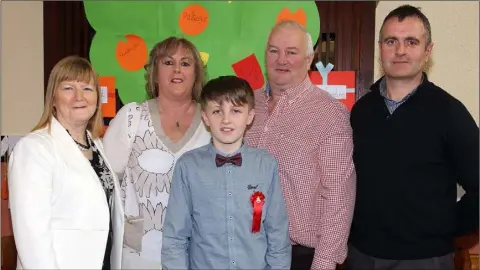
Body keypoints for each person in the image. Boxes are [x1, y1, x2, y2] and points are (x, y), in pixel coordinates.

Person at [346, 5, 479, 270]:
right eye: (391, 41)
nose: (400, 51)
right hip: (361, 254)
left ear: (427, 51)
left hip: (425, 258)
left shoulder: (449, 112)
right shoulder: (361, 111)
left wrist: (448, 227)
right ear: (380, 47)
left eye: (411, 42)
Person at [244, 20, 356, 270]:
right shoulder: (246, 106)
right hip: (245, 249)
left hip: (300, 257)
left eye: (291, 52)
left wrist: (325, 263)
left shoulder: (329, 114)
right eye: (274, 51)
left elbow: (339, 196)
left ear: (309, 59)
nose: (281, 60)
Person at [102, 37, 211, 269]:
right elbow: (105, 184)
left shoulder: (213, 121)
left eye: (186, 63)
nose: (177, 69)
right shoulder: (132, 118)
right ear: (154, 71)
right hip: (138, 255)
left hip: (197, 255)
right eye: (168, 62)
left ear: (196, 73)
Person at [162, 75, 291, 269]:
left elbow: (278, 235)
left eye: (236, 111)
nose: (226, 120)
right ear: (205, 117)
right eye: (217, 111)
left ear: (250, 116)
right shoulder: (187, 167)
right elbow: (175, 238)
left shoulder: (266, 165)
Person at [8, 56, 123, 269]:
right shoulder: (34, 148)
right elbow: (31, 237)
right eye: (68, 88)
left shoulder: (96, 146)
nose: (79, 97)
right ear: (53, 98)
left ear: (97, 98)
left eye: (87, 89)